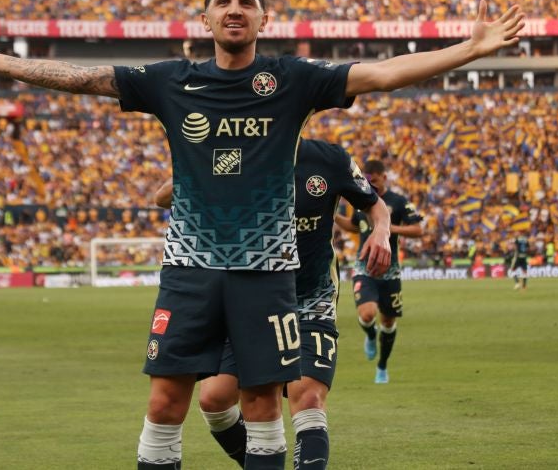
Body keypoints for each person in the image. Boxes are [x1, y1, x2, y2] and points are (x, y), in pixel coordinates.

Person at [0, 0, 523, 469]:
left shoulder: (293, 80)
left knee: (263, 405)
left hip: (267, 273)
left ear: (263, 19)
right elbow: (87, 78)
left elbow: (384, 73)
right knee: (166, 402)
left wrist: (469, 50)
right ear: (206, 19)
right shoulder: (172, 81)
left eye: (246, 2)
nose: (234, 10)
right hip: (189, 268)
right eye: (223, 2)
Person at [155, 137, 391, 469]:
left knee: (307, 398)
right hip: (252, 298)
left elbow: (374, 204)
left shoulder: (330, 159)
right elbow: (162, 198)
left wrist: (381, 231)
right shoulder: (238, 152)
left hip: (310, 297)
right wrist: (206, 160)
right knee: (214, 401)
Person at [336, 159, 424, 384]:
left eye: (375, 175)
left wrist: (385, 226)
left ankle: (382, 366)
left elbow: (417, 229)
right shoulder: (361, 199)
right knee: (367, 314)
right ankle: (370, 335)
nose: (371, 178)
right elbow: (354, 226)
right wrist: (333, 214)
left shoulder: (398, 201)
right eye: (368, 175)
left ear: (384, 176)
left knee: (388, 322)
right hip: (364, 267)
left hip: (390, 271)